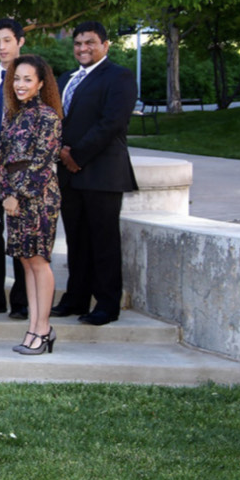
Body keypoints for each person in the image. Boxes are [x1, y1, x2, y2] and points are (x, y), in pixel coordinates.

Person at [52, 21, 138, 326]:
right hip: (69, 175)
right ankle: (76, 298)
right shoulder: (65, 79)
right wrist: (62, 151)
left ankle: (106, 304)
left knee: (103, 242)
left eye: (90, 43)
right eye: (78, 43)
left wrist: (76, 154)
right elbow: (55, 120)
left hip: (102, 172)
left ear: (105, 45)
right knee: (76, 241)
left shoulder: (120, 77)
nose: (83, 48)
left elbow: (112, 123)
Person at [0, 55, 64, 355]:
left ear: (40, 84)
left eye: (27, 79)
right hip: (13, 199)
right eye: (16, 78)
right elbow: (3, 159)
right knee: (25, 262)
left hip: (39, 199)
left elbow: (43, 162)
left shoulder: (48, 116)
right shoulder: (12, 114)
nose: (20, 84)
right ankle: (33, 327)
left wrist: (18, 195)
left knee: (39, 260)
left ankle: (44, 328)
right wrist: (6, 194)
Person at [0, 18, 30, 318]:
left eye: (7, 40)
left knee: (21, 234)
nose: (2, 47)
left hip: (21, 169)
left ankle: (22, 301)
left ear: (20, 41)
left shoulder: (33, 77)